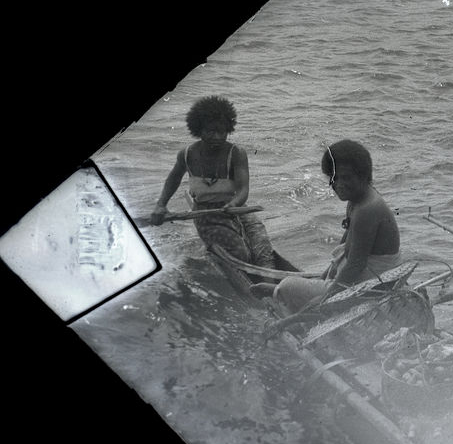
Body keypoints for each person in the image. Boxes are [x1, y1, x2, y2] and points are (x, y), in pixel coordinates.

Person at [262, 139, 402, 312]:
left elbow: (355, 265)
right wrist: (324, 278)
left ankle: (282, 292)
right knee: (299, 284)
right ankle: (284, 291)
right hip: (361, 279)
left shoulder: (368, 209)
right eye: (334, 178)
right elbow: (344, 249)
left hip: (369, 287)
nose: (339, 185)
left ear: (364, 175)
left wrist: (325, 298)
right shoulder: (356, 201)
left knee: (289, 285)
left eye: (346, 177)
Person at [149, 95, 275, 268]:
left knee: (261, 243)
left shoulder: (237, 153)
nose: (217, 137)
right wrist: (161, 205)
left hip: (234, 208)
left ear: (228, 130)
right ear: (199, 130)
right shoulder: (186, 155)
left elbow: (243, 190)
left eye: (221, 132)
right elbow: (173, 179)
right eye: (210, 131)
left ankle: (268, 285)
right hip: (205, 214)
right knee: (241, 254)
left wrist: (234, 204)